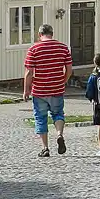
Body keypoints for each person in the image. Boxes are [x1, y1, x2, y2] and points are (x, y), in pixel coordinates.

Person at [23, 24, 73, 157]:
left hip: (39, 91)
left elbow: (29, 72)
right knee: (58, 114)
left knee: (41, 118)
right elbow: (69, 69)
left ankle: (45, 148)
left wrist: (26, 90)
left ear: (39, 35)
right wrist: (63, 81)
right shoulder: (63, 48)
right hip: (57, 88)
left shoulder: (34, 49)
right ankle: (59, 134)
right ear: (52, 33)